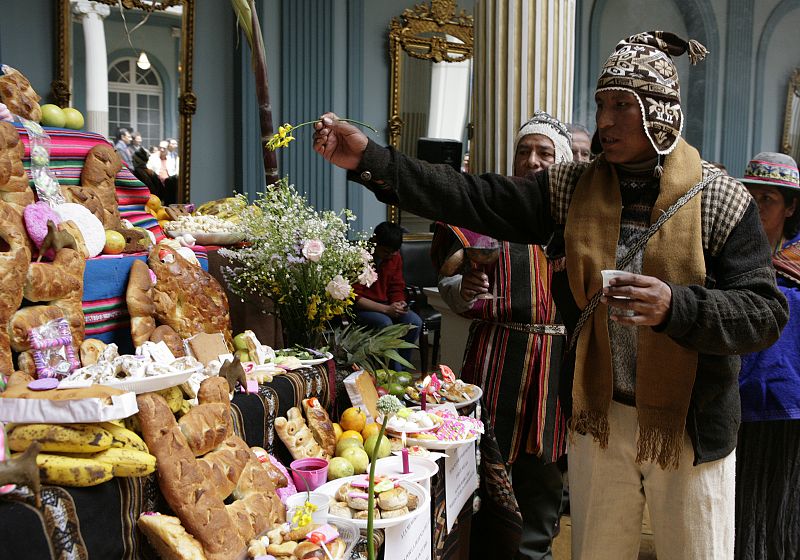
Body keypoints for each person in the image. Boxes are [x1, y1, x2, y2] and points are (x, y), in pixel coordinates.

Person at [312, 30, 788, 559]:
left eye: (622, 107)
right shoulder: (573, 189)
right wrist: (373, 160)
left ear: (661, 112)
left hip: (690, 423)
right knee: (596, 550)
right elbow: (474, 196)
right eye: (601, 104)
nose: (605, 121)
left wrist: (677, 306)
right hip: (596, 415)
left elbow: (764, 314)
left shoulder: (718, 199)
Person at [433, 110, 570, 559]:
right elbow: (454, 290)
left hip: (554, 365)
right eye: (524, 151)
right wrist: (463, 288)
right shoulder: (488, 210)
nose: (532, 160)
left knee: (543, 476)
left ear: (563, 161)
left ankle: (535, 554)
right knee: (482, 472)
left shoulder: (580, 219)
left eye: (544, 153)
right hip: (494, 360)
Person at [735, 152, 800, 560]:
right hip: (738, 397)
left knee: (782, 506)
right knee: (738, 505)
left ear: (791, 206)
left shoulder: (796, 261)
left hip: (789, 403)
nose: (757, 206)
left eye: (768, 199)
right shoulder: (733, 255)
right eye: (751, 196)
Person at [352, 221, 422, 371]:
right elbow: (354, 297)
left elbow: (397, 286)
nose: (390, 255)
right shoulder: (359, 256)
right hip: (363, 308)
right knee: (385, 323)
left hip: (387, 305)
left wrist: (399, 303)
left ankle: (403, 370)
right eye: (386, 251)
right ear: (375, 241)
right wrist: (386, 309)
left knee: (414, 321)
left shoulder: (394, 257)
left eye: (394, 252)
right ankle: (394, 373)